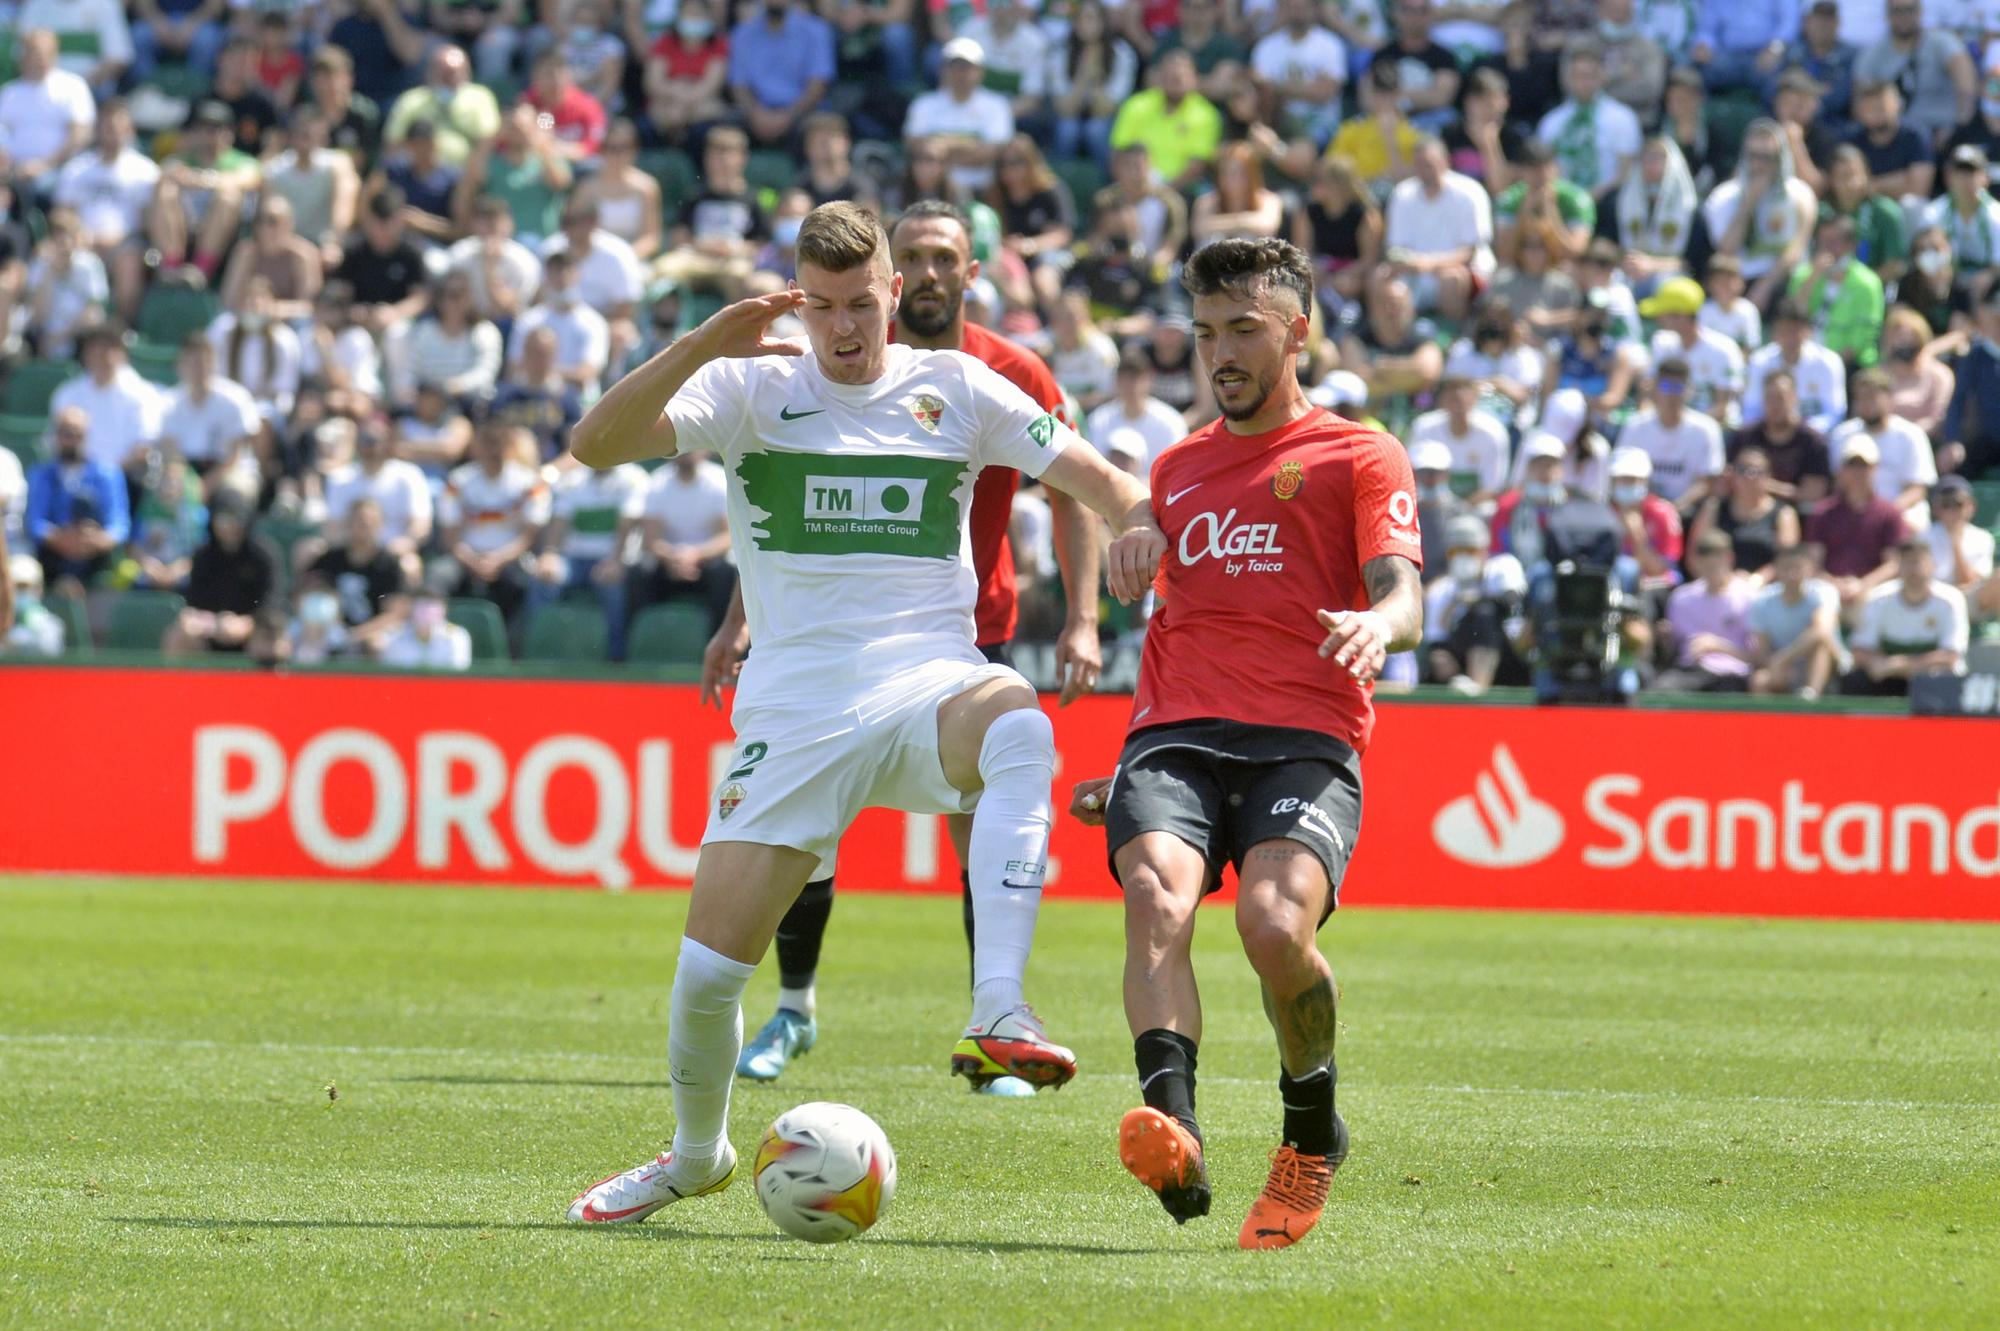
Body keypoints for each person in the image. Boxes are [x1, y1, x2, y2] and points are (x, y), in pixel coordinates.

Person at [564, 202, 1160, 1224]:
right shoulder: (749, 386)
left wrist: (1139, 524)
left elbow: (1106, 484)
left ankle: (997, 1006)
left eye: (861, 304)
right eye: (823, 307)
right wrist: (708, 337)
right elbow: (592, 445)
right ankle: (696, 1153)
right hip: (793, 709)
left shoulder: (961, 387)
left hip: (927, 682)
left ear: (893, 295)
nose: (844, 328)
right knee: (708, 978)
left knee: (1021, 729)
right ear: (796, 303)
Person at [1066, 235, 1423, 1250]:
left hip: (1302, 735)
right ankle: (1171, 1123)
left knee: (1271, 926)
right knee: (1154, 895)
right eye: (1204, 331)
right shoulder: (1173, 469)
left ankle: (1310, 1128)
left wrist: (1376, 624)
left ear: (1295, 333)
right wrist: (1134, 532)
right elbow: (1132, 514)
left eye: (1242, 330)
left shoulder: (1359, 453)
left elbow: (1403, 588)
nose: (1219, 351)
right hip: (1174, 732)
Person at [718, 200, 1105, 1093]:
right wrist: (741, 618)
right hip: (832, 643)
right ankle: (796, 1005)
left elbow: (1073, 490)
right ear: (896, 272)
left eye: (947, 258)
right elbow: (799, 517)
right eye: (918, 255)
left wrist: (1081, 617)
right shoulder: (812, 372)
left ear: (971, 272)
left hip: (970, 631)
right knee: (811, 840)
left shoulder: (1007, 371)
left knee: (985, 815)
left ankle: (992, 1017)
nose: (931, 272)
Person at [532, 457, 649, 659]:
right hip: (573, 560)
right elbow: (559, 522)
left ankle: (616, 658)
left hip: (611, 560)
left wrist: (615, 562)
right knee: (543, 579)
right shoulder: (572, 481)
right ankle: (536, 653)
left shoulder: (635, 478)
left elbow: (626, 524)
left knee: (613, 586)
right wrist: (549, 555)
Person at [1377, 136, 1494, 324]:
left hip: (1460, 271)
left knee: (1451, 278)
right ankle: (1397, 340)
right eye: (1419, 165)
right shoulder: (1403, 193)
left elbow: (1470, 252)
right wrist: (1406, 262)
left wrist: (1428, 264)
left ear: (1445, 162)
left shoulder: (1469, 193)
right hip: (1413, 270)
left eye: (1429, 164)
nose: (1425, 171)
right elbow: (1396, 247)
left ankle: (1453, 335)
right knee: (1379, 278)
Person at [1843, 537, 1968, 695]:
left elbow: (1950, 655)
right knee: (1855, 680)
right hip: (1888, 677)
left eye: (1918, 562)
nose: (1913, 569)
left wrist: (1902, 664)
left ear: (1932, 566)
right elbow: (1860, 649)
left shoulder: (1950, 600)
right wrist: (1877, 663)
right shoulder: (1879, 599)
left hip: (1932, 678)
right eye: (1906, 562)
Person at [1422, 512, 1530, 692]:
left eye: (1470, 550)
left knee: (1483, 612)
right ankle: (1468, 688)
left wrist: (1475, 599)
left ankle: (1479, 687)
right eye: (1456, 551)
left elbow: (1513, 605)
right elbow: (1436, 645)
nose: (1463, 557)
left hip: (1510, 655)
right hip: (1460, 669)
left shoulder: (1502, 568)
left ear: (1484, 550)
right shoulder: (1440, 589)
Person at [25, 407, 129, 595]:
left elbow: (119, 525)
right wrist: (60, 537)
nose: (72, 439)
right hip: (54, 556)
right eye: (66, 433)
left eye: (78, 434)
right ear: (56, 435)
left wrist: (95, 540)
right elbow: (35, 522)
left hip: (96, 557)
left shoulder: (108, 474)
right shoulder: (42, 474)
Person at [161, 489, 275, 655]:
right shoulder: (202, 556)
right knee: (180, 633)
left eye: (237, 519)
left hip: (252, 631)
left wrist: (247, 623)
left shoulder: (264, 556)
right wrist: (208, 623)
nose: (230, 526)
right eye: (223, 519)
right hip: (210, 631)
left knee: (271, 640)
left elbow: (272, 601)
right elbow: (194, 602)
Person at [1851, 0, 1975, 147]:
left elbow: (1967, 88)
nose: (1904, 16)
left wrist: (1957, 127)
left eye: (1910, 10)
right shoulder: (1873, 54)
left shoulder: (1942, 43)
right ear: (1887, 15)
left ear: (1920, 13)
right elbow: (1859, 100)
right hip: (1895, 135)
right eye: (1897, 11)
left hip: (1943, 129)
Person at [1806, 434, 1909, 606]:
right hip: (1829, 591)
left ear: (1875, 468)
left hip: (1874, 592)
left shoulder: (1889, 513)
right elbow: (1813, 562)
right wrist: (1835, 585)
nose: (1857, 472)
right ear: (1841, 470)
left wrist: (1863, 585)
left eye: (1863, 466)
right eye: (1851, 465)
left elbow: (1893, 564)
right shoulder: (1823, 512)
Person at [1829, 369, 1937, 531]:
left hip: (1901, 510)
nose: (1865, 403)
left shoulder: (1911, 434)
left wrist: (1885, 514)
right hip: (1854, 509)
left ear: (1889, 398)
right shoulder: (1842, 435)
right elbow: (1838, 483)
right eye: (1860, 397)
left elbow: (1918, 489)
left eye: (1872, 397)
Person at [1614, 356, 1723, 512]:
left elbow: (1707, 482)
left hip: (1687, 510)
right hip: (1641, 507)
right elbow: (1622, 474)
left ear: (1689, 390)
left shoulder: (1706, 429)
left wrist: (1673, 508)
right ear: (1655, 387)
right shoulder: (1635, 426)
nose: (1672, 394)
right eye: (1666, 386)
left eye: (1678, 387)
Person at [1535, 39, 1641, 200]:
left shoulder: (1622, 117)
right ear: (1567, 78)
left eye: (1589, 76)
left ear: (1602, 76)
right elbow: (1543, 168)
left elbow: (1626, 171)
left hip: (1608, 203)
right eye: (1578, 76)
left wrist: (1591, 197)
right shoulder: (1551, 122)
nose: (1583, 82)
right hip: (1562, 203)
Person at [307, 496, 413, 656]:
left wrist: (356, 635)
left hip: (373, 633)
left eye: (370, 521)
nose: (364, 525)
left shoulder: (389, 564)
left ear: (380, 524)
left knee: (376, 645)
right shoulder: (329, 559)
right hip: (330, 628)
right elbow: (308, 596)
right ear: (348, 523)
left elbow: (394, 614)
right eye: (359, 520)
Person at [1653, 529, 1756, 692]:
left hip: (1732, 673)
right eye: (1706, 564)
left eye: (1716, 563)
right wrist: (1664, 639)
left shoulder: (1749, 597)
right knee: (1660, 692)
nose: (1712, 570)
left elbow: (1757, 657)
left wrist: (1717, 646)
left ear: (1729, 558)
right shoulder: (1681, 597)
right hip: (1690, 671)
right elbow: (1674, 650)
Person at [1108, 49, 1223, 193]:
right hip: (1134, 186)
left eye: (1180, 78)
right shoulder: (1136, 105)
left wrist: (1163, 193)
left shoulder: (1206, 114)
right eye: (1170, 77)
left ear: (1194, 79)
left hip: (1180, 189)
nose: (1176, 83)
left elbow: (1197, 166)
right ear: (1159, 77)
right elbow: (1118, 152)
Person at [728, 0, 836, 149]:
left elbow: (817, 83)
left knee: (818, 131)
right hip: (755, 113)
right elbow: (739, 84)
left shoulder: (816, 30)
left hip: (800, 113)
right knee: (715, 132)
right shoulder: (743, 33)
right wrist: (755, 113)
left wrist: (789, 115)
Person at [1640, 277, 1745, 426]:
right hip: (1669, 425)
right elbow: (1649, 391)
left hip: (1715, 428)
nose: (1658, 318)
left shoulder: (1724, 350)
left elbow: (1723, 407)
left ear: (1681, 317)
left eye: (1663, 313)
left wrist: (1686, 428)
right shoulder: (1661, 342)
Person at [1689, 446, 1800, 583]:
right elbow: (1695, 556)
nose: (1749, 476)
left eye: (1756, 471)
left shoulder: (1784, 514)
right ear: (1732, 474)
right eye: (1742, 470)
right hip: (1716, 587)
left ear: (1769, 476)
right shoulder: (1713, 508)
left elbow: (1787, 560)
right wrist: (1724, 582)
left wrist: (1757, 580)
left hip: (1765, 590)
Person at [1747, 543, 1842, 698]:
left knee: (1820, 646)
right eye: (1786, 567)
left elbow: (1822, 631)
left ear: (1810, 569)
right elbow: (1762, 652)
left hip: (1829, 666)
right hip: (1784, 668)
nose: (1792, 574)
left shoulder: (1824, 592)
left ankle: (1810, 699)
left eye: (1798, 567)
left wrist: (1783, 659)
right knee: (1760, 680)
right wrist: (1779, 666)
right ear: (1776, 569)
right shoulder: (1762, 601)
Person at [1727, 368, 1832, 506]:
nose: (1775, 405)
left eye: (1780, 398)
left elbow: (1814, 492)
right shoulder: (1745, 438)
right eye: (1770, 398)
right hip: (1749, 512)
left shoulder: (1812, 441)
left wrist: (1763, 484)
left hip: (1796, 513)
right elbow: (1729, 478)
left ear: (1794, 398)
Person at [1742, 300, 1847, 435]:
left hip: (1813, 438)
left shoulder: (1828, 362)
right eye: (1785, 331)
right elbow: (1751, 410)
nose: (1791, 338)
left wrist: (1800, 432)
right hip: (1769, 435)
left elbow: (1834, 412)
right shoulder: (1760, 361)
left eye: (1796, 330)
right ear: (1774, 332)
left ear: (1808, 331)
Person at [1408, 374, 1508, 503]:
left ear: (1475, 398)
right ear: (1441, 400)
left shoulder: (1492, 433)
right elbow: (1412, 475)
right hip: (1428, 501)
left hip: (1475, 508)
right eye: (1452, 397)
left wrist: (1461, 509)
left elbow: (1492, 487)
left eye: (1463, 396)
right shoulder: (1423, 427)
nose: (1458, 402)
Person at [1880, 306, 1954, 438]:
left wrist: (1908, 437)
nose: (1904, 344)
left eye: (1910, 339)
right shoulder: (1879, 374)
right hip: (1881, 439)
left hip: (1923, 441)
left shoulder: (1939, 375)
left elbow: (1937, 417)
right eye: (1898, 338)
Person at [1922, 473, 1995, 595]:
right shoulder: (1922, 538)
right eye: (1946, 504)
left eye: (1958, 503)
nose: (1952, 510)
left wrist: (1955, 543)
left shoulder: (1983, 539)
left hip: (1969, 600)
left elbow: (1971, 582)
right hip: (1932, 599)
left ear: (1971, 506)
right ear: (1935, 509)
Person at [380, 585, 473, 670]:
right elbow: (391, 674)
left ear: (444, 608)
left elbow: (458, 676)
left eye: (431, 603)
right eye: (420, 603)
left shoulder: (456, 636)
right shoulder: (395, 635)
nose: (425, 609)